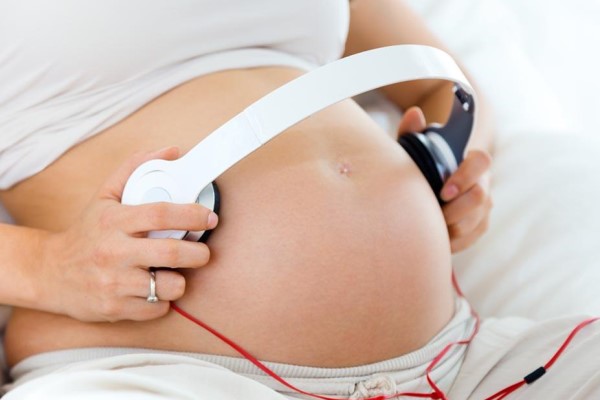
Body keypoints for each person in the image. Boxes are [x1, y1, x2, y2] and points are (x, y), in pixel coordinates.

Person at [1, 1, 599, 399]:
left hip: (466, 362)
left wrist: (455, 164)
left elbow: (443, 83)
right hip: (155, 374)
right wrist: (48, 266)